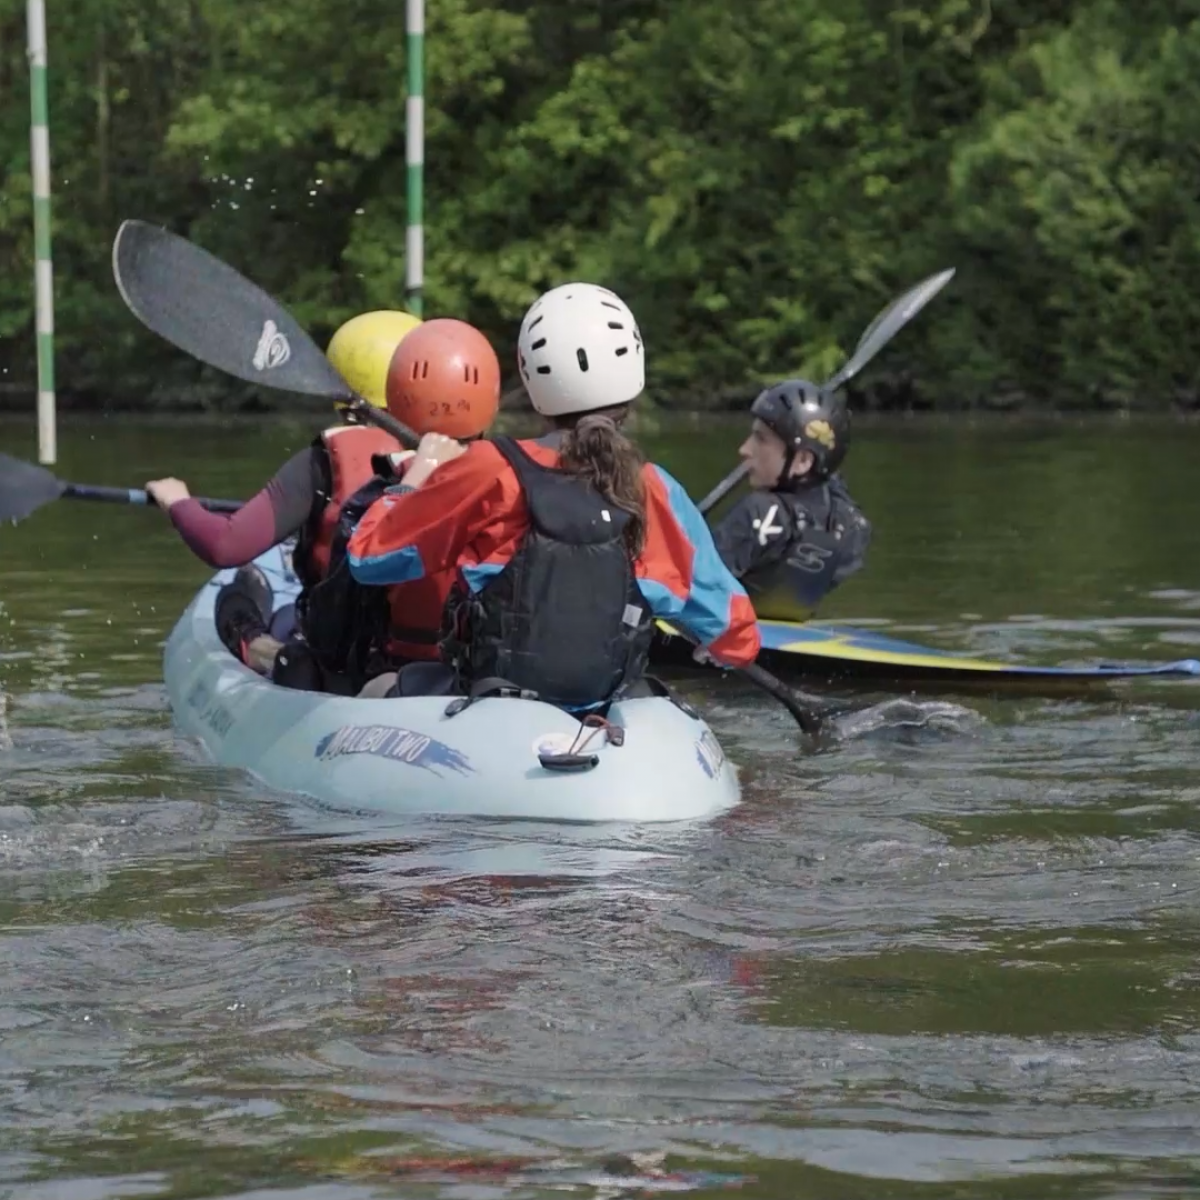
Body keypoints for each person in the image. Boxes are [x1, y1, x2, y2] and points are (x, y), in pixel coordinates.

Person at [345, 282, 761, 710]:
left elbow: (367, 559)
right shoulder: (655, 488)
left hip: (490, 704)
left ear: (532, 381)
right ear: (634, 377)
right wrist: (711, 643)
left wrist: (411, 481)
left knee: (377, 689)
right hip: (599, 710)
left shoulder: (489, 468)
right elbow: (738, 636)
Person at [146, 312, 501, 692]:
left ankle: (257, 647)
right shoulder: (505, 472)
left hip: (359, 667)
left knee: (237, 600)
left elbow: (225, 544)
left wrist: (177, 502)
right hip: (465, 670)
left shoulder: (328, 465)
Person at [709, 379, 871, 623]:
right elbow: (831, 481)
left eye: (760, 439)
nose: (744, 449)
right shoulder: (852, 527)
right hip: (781, 630)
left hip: (722, 640)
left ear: (803, 461)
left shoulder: (756, 513)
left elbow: (693, 588)